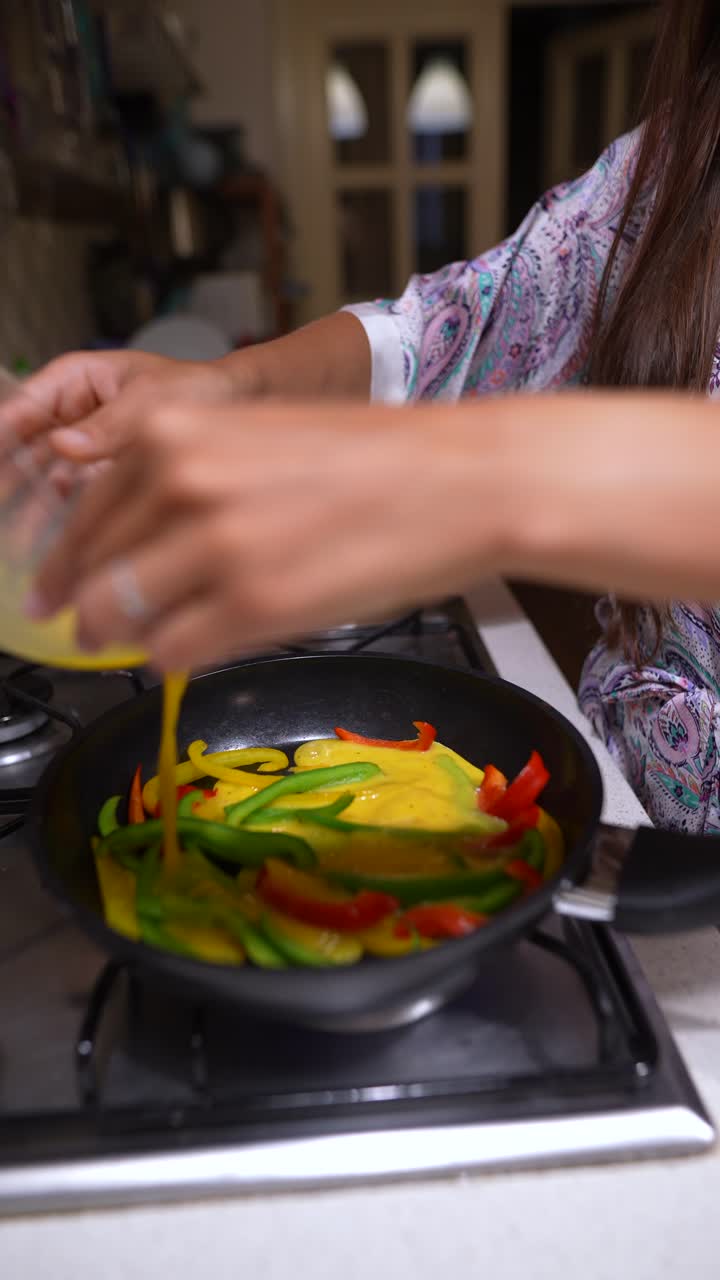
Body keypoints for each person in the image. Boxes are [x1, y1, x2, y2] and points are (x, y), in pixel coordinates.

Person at [17, 0, 720, 835]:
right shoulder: (684, 146)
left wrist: (484, 478)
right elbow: (475, 316)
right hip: (633, 810)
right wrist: (231, 386)